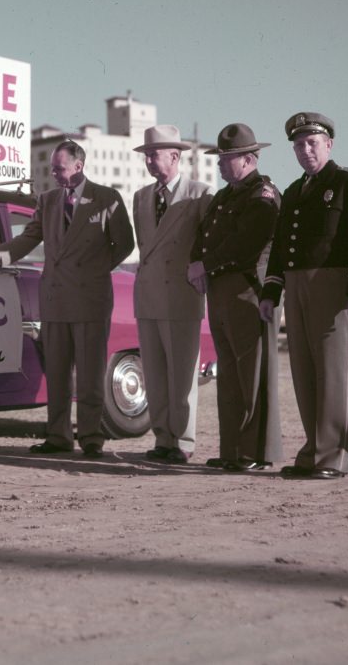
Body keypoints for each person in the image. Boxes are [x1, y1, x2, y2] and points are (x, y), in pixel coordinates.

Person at [0, 140, 134, 458]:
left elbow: (124, 243)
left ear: (78, 166)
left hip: (90, 298)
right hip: (54, 299)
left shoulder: (107, 198)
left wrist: (95, 270)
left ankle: (92, 437)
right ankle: (59, 436)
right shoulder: (48, 200)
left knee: (91, 373)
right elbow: (28, 238)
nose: (53, 173)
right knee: (58, 371)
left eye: (58, 168)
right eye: (51, 167)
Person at [258, 112, 348, 480]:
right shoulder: (295, 192)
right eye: (298, 144)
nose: (305, 150)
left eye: (312, 142)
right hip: (297, 288)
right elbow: (281, 246)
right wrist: (272, 289)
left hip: (333, 288)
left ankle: (334, 455)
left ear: (329, 144)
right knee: (305, 372)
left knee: (333, 373)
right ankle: (313, 450)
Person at [187, 123, 282, 473]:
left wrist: (204, 264)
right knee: (228, 373)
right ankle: (232, 450)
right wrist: (196, 262)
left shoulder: (263, 195)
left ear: (249, 159)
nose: (220, 164)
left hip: (247, 289)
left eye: (227, 159)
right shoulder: (225, 196)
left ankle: (254, 451)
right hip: (222, 289)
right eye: (220, 158)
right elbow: (203, 235)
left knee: (252, 373)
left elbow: (246, 243)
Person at [131, 124, 211, 464]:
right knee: (155, 375)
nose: (149, 161)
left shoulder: (200, 194)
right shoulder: (141, 197)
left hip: (180, 294)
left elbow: (207, 243)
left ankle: (184, 441)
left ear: (175, 156)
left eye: (154, 155)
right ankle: (163, 438)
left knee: (182, 377)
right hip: (148, 296)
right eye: (146, 155)